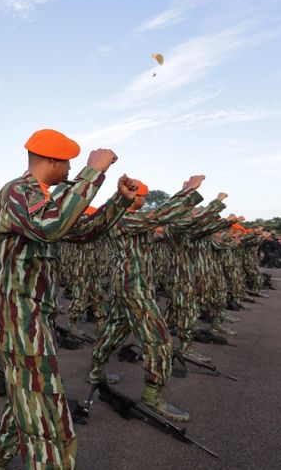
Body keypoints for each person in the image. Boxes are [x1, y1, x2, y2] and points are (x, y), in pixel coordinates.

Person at [0, 129, 137, 469]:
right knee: (48, 421)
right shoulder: (17, 191)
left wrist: (120, 200)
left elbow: (81, 231)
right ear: (50, 160)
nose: (70, 168)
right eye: (66, 162)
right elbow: (51, 226)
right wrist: (93, 171)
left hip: (35, 322)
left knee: (29, 400)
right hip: (20, 324)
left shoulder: (42, 198)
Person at [89, 176, 206, 423]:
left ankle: (95, 371)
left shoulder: (133, 221)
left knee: (114, 331)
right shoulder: (126, 218)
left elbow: (160, 221)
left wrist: (183, 193)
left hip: (129, 286)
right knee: (159, 342)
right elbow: (158, 216)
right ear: (135, 198)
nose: (146, 200)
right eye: (143, 196)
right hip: (135, 289)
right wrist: (187, 192)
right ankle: (152, 395)